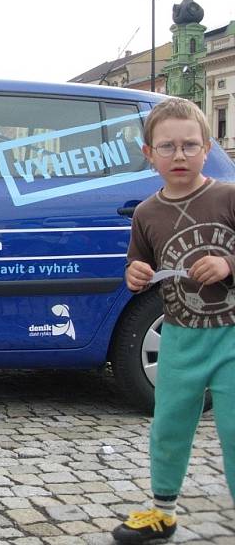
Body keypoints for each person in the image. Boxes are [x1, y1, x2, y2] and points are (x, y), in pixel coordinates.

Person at [112, 98, 235, 544]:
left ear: (207, 148)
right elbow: (136, 268)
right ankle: (163, 513)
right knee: (168, 427)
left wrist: (227, 266)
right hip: (179, 338)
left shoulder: (227, 196)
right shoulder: (147, 213)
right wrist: (135, 275)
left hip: (231, 336)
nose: (178, 155)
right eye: (167, 147)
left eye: (189, 145)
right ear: (149, 154)